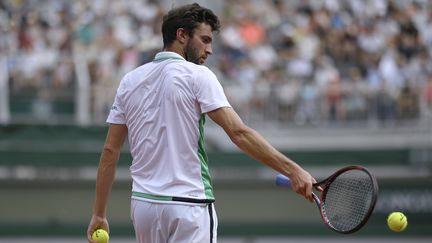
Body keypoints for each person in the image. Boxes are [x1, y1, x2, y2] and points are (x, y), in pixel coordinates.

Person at [87, 3, 316, 243]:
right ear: (182, 35)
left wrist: (99, 213)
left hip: (144, 208)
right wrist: (294, 170)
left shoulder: (129, 81)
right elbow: (239, 133)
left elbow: (109, 152)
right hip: (189, 206)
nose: (210, 49)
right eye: (205, 40)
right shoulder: (198, 75)